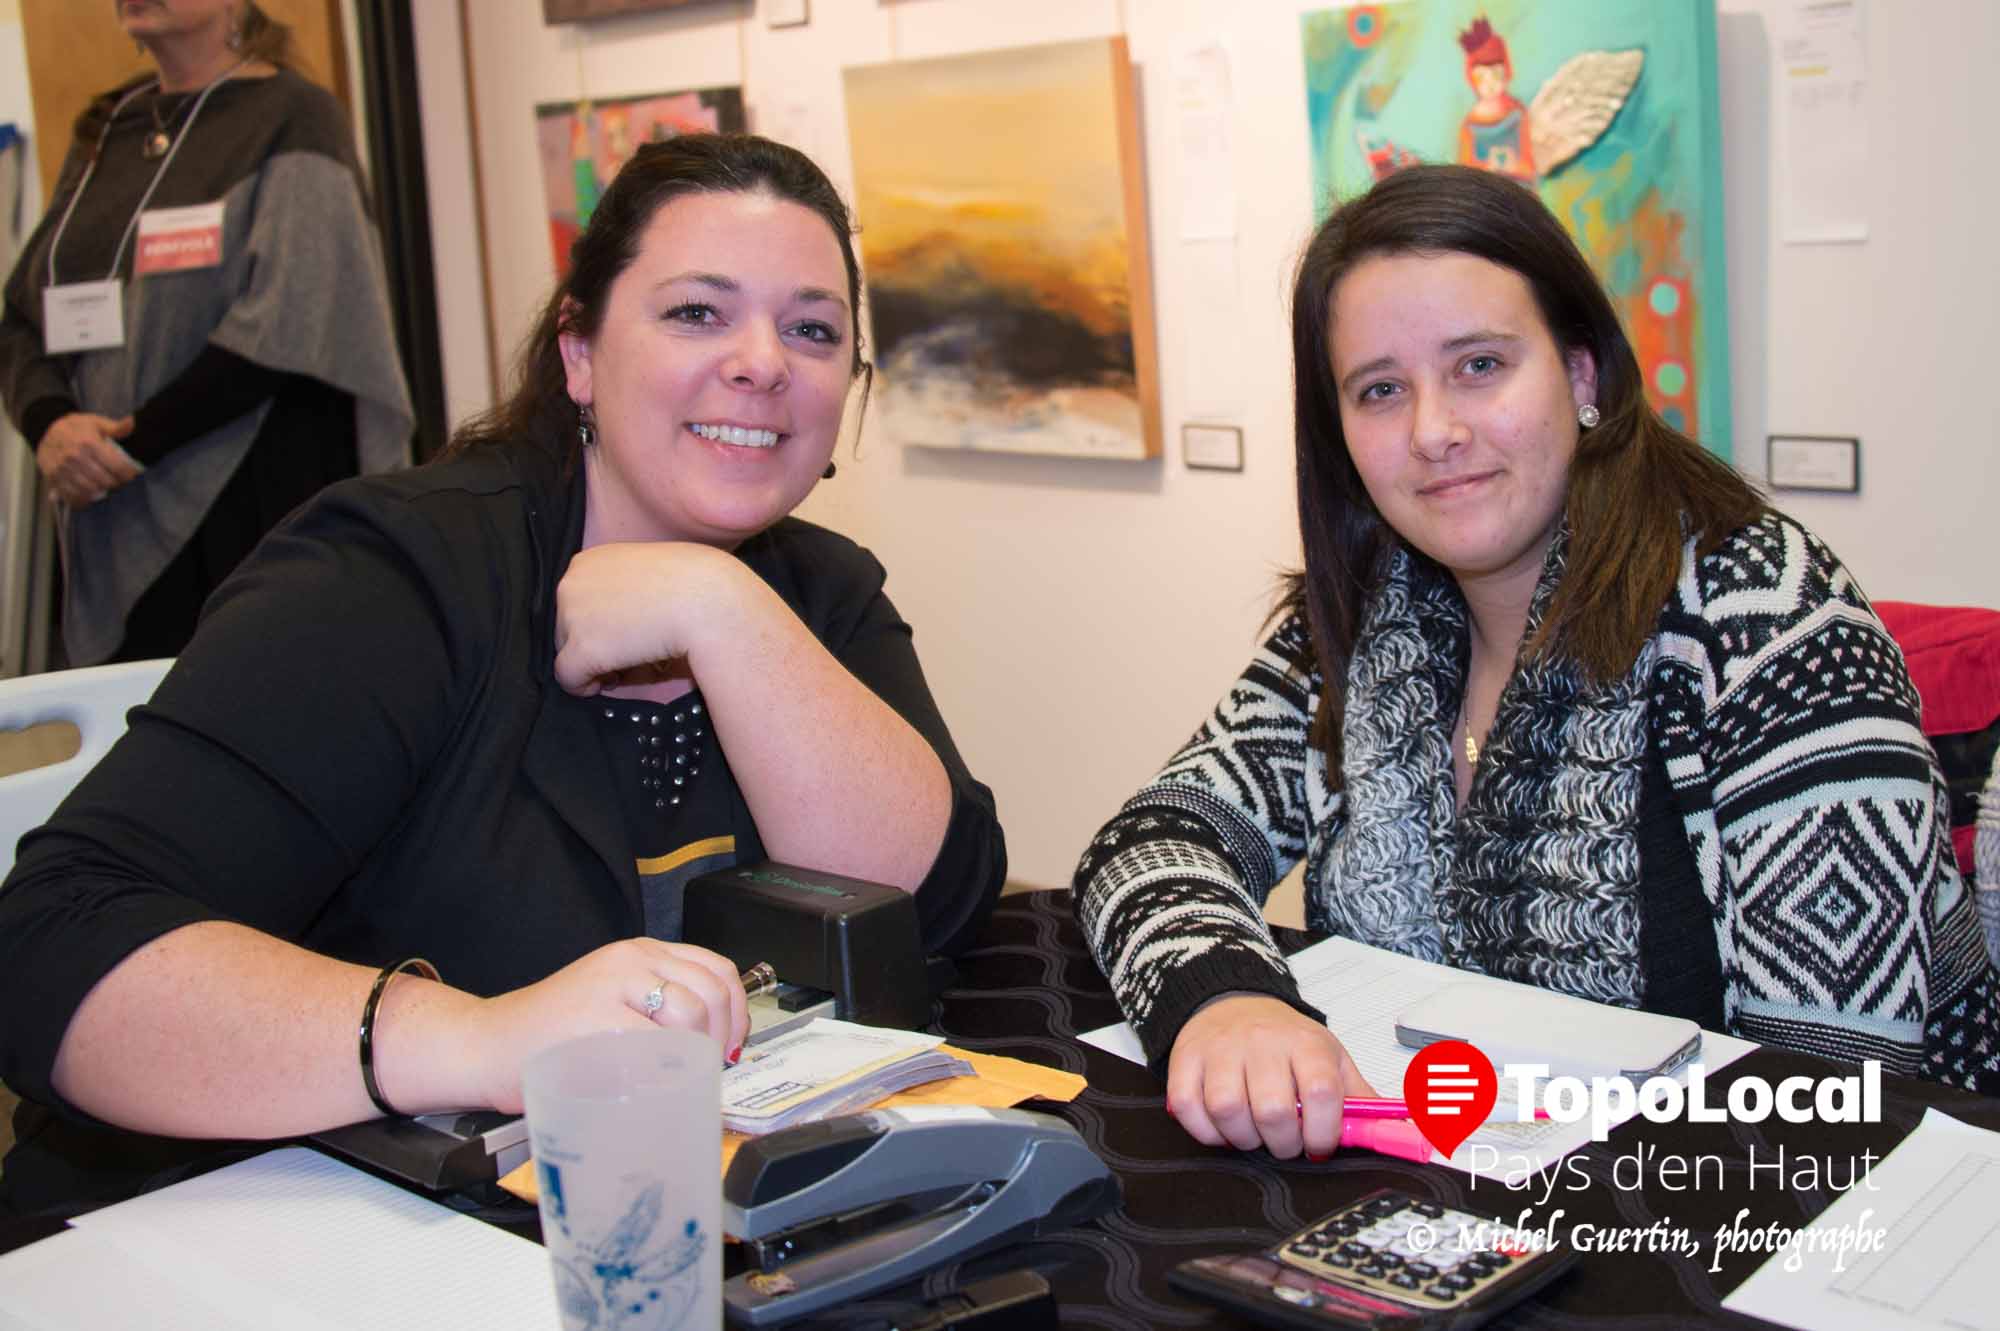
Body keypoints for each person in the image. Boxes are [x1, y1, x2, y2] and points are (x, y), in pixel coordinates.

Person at [0, 132, 1006, 1215]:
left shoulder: (811, 592)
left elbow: (931, 908)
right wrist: (485, 1037)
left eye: (811, 328)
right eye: (696, 312)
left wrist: (721, 611)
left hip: (624, 1218)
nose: (763, 360)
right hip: (258, 1222)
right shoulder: (390, 574)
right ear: (576, 352)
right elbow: (52, 948)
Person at [1073, 164, 1999, 1161]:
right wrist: (1223, 997)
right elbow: (1151, 839)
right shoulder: (1365, 615)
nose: (1433, 430)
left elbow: (1829, 1085)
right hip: (1463, 1176)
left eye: (1478, 365)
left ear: (1582, 375)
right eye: (1379, 389)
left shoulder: (1769, 624)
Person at [0, 0, 411, 666]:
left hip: (245, 523)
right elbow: (22, 315)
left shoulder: (295, 118)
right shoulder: (109, 129)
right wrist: (51, 424)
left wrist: (125, 447)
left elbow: (291, 318)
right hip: (105, 506)